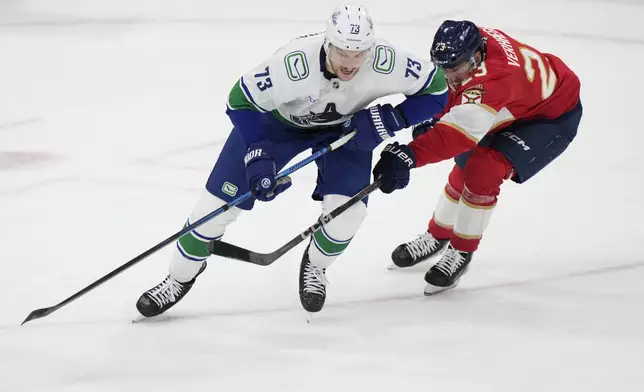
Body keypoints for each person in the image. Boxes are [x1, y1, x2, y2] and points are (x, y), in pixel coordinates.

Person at [135, 5, 447, 317]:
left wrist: (392, 118)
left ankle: (316, 266)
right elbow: (239, 99)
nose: (351, 63)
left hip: (348, 130)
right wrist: (258, 151)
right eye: (342, 52)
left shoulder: (385, 60)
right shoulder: (293, 64)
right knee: (212, 210)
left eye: (359, 53)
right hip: (276, 127)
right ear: (327, 43)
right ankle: (178, 278)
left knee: (347, 215)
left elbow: (436, 90)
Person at [372, 20, 582, 295]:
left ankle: (461, 251)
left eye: (455, 69)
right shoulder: (470, 44)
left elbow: (456, 135)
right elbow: (456, 89)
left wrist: (410, 155)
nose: (450, 76)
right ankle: (437, 236)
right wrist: (437, 117)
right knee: (465, 164)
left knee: (484, 169)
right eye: (444, 68)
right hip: (521, 102)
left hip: (551, 116)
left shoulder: (494, 80)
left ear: (477, 57)